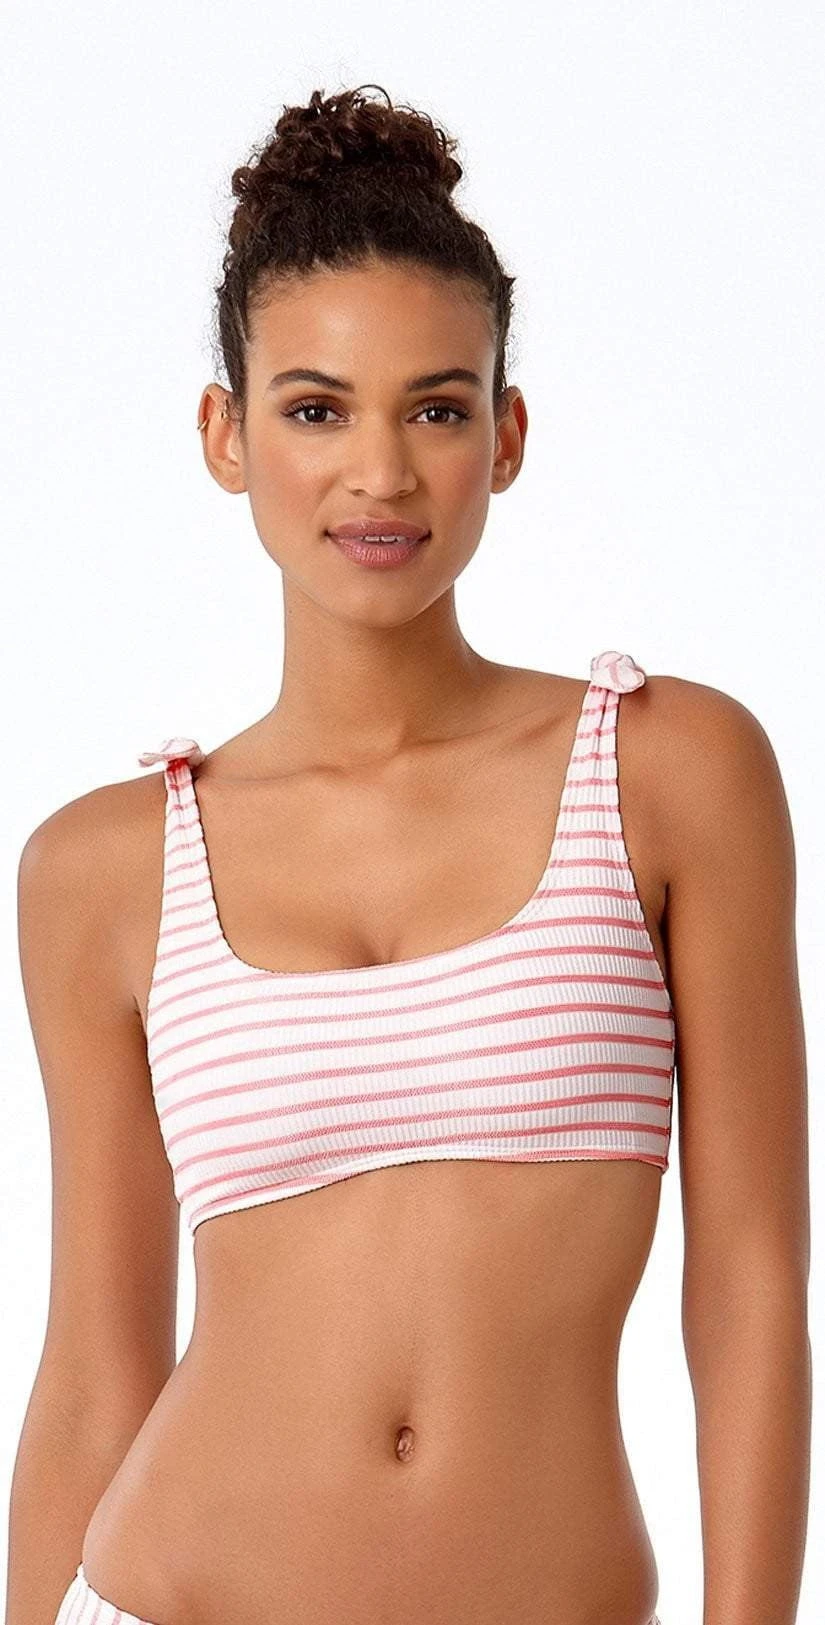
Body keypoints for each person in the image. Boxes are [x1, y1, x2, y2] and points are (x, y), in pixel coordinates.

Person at [8, 83, 810, 1625]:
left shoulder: (669, 774)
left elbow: (753, 1292)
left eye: (435, 409)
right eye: (315, 410)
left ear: (505, 436)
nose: (378, 474)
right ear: (226, 436)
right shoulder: (103, 869)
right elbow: (96, 1373)